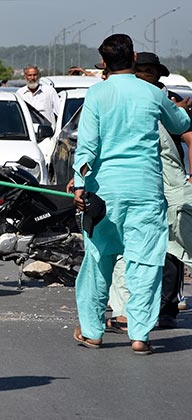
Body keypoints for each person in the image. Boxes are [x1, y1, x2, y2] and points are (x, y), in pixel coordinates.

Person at [71, 34, 190, 355]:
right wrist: (177, 106)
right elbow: (181, 123)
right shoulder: (152, 93)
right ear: (134, 57)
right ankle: (140, 335)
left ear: (105, 63)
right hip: (146, 191)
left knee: (98, 260)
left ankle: (94, 331)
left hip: (103, 192)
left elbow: (87, 147)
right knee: (145, 262)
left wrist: (79, 184)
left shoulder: (97, 93)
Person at [104, 51, 192, 331]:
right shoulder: (126, 99)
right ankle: (129, 312)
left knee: (171, 251)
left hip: (169, 188)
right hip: (141, 188)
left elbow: (188, 133)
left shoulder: (163, 103)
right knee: (132, 249)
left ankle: (161, 308)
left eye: (145, 71)